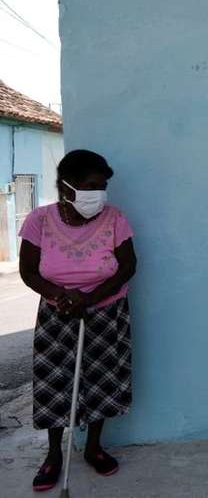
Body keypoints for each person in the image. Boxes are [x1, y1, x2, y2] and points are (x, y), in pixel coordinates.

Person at [18, 150, 137, 491]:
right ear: (66, 187)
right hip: (58, 313)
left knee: (101, 377)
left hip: (106, 311)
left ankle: (94, 447)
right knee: (55, 382)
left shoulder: (115, 219)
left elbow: (128, 266)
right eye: (90, 186)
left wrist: (90, 298)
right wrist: (61, 296)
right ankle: (54, 454)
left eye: (102, 186)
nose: (98, 194)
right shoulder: (39, 221)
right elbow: (28, 271)